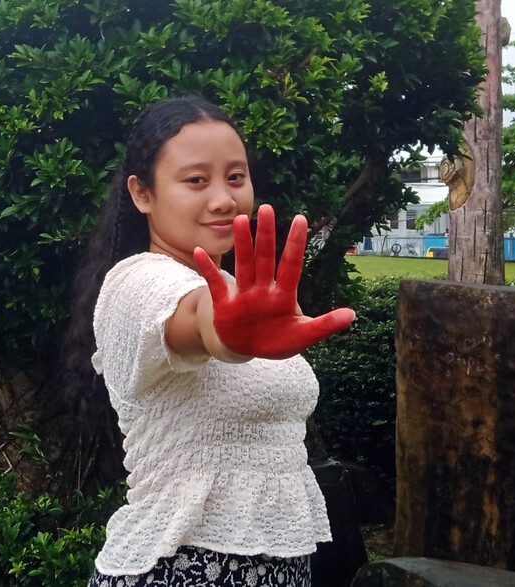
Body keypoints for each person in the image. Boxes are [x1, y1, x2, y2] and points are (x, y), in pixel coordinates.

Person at [68, 96, 355, 586]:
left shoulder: (242, 294)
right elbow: (194, 323)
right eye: (196, 180)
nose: (223, 198)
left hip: (279, 567)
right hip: (181, 569)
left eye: (236, 177)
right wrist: (227, 332)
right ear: (142, 194)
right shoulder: (136, 285)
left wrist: (239, 314)